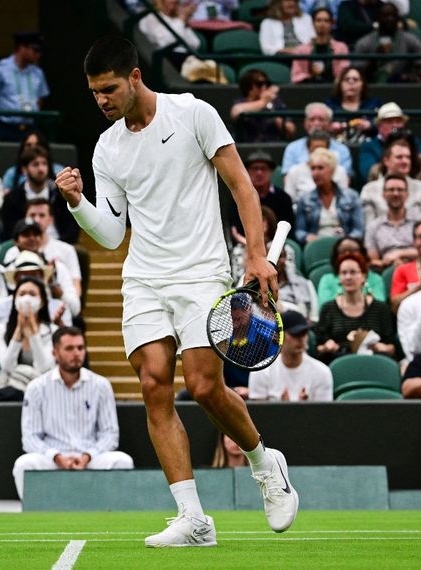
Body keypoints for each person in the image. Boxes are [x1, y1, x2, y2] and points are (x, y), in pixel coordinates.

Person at [56, 37, 298, 545]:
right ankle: (193, 519)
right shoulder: (107, 147)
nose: (101, 101)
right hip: (144, 276)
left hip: (201, 271)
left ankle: (264, 462)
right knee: (153, 384)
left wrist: (255, 253)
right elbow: (111, 233)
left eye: (108, 89)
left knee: (205, 386)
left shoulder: (193, 114)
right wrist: (78, 203)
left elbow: (241, 186)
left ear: (135, 77)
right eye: (94, 93)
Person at [12, 327, 134, 499]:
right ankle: (35, 518)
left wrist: (87, 456)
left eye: (80, 348)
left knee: (122, 461)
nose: (76, 353)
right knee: (24, 464)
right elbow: (30, 437)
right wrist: (56, 456)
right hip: (52, 459)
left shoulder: (101, 385)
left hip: (91, 458)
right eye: (69, 348)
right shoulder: (36, 387)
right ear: (55, 352)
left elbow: (110, 434)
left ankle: (112, 516)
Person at [315, 252, 395, 363]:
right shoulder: (328, 308)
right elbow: (318, 347)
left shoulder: (381, 308)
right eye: (343, 273)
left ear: (363, 276)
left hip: (373, 361)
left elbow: (391, 347)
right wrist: (327, 347)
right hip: (339, 360)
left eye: (353, 272)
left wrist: (382, 347)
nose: (348, 277)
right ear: (339, 277)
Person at [0, 276, 57, 401]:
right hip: (9, 389)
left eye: (32, 294)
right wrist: (18, 332)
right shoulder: (0, 330)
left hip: (44, 391)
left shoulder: (53, 331)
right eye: (22, 294)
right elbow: (7, 367)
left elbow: (44, 368)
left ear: (42, 301)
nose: (26, 298)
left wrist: (34, 335)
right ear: (15, 300)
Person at [2, 144, 79, 245]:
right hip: (24, 247)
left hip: (59, 245)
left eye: (44, 164)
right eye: (35, 164)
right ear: (24, 169)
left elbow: (72, 230)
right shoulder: (12, 198)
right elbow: (9, 233)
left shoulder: (61, 194)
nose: (41, 169)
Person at [248, 311, 332, 401]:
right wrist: (284, 409)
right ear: (278, 337)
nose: (301, 339)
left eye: (304, 333)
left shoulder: (322, 372)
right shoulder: (260, 372)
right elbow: (258, 414)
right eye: (295, 334)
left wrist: (304, 409)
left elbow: (323, 414)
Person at [0, 32, 50, 142]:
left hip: (30, 128)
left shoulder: (38, 73)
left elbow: (40, 99)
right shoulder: (0, 69)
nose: (38, 55)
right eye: (35, 50)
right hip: (6, 127)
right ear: (22, 48)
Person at [360, 139, 421, 229]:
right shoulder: (369, 190)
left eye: (408, 157)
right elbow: (368, 228)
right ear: (386, 161)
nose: (405, 161)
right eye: (399, 157)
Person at [294, 148, 363, 244]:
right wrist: (307, 237)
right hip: (316, 245)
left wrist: (346, 240)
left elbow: (358, 230)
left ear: (332, 170)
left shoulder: (351, 196)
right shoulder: (304, 199)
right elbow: (299, 231)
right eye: (313, 168)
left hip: (344, 245)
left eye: (320, 168)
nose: (315, 173)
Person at [352, 2, 421, 84]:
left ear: (398, 19)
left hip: (402, 89)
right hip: (371, 88)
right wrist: (375, 58)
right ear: (378, 18)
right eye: (385, 16)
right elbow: (357, 75)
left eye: (393, 16)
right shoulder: (364, 42)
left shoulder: (411, 40)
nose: (390, 19)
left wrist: (411, 77)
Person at [232, 150, 295, 245]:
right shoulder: (238, 198)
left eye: (263, 168)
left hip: (278, 245)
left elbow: (288, 228)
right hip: (245, 244)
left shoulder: (283, 198)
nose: (259, 173)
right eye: (255, 168)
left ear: (271, 171)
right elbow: (235, 229)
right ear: (247, 171)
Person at [281, 102, 353, 178]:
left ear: (329, 123)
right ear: (305, 123)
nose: (316, 123)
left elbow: (345, 180)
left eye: (321, 119)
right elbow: (287, 179)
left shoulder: (342, 150)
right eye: (312, 119)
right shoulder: (292, 148)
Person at [365, 174, 418, 271]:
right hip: (386, 271)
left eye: (400, 189)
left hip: (417, 269)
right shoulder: (374, 226)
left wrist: (400, 254)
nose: (396, 193)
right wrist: (391, 264)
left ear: (407, 194)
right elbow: (373, 259)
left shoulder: (419, 222)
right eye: (391, 190)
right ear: (383, 194)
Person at [317, 237, 386, 308]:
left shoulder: (375, 279)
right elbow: (324, 309)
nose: (348, 254)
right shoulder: (327, 280)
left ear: (363, 254)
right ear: (336, 256)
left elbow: (380, 307)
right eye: (342, 251)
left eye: (353, 250)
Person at [283, 131, 349, 205]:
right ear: (308, 150)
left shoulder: (340, 171)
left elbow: (345, 199)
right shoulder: (294, 171)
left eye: (322, 148)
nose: (319, 152)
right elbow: (288, 200)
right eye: (315, 148)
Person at [230, 69, 295, 143]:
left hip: (273, 146)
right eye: (259, 84)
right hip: (247, 147)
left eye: (267, 84)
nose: (264, 87)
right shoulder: (241, 102)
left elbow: (290, 131)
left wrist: (270, 107)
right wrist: (264, 101)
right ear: (249, 87)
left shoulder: (276, 103)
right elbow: (236, 112)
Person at [290, 7, 348, 84]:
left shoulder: (341, 48)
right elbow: (297, 75)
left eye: (326, 21)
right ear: (313, 23)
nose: (322, 24)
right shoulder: (301, 50)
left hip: (334, 89)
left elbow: (344, 73)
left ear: (332, 24)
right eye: (318, 20)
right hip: (308, 89)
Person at [325, 66, 381, 146]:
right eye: (346, 79)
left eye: (355, 79)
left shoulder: (374, 104)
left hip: (368, 147)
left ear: (362, 84)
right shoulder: (330, 105)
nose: (351, 83)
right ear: (340, 84)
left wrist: (370, 126)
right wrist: (329, 127)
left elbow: (384, 127)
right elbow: (320, 127)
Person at [137, 0, 201, 68]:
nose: (175, 1)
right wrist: (181, 19)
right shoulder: (150, 17)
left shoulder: (176, 19)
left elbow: (195, 44)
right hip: (165, 61)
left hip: (185, 59)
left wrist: (184, 21)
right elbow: (165, 43)